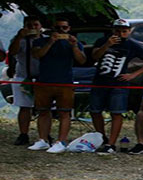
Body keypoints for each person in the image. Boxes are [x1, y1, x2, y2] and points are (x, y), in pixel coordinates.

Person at [89, 19, 143, 151]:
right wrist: (107, 45)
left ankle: (111, 144)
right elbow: (95, 57)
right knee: (95, 111)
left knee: (117, 112)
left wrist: (133, 75)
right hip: (100, 82)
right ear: (113, 30)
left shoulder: (132, 45)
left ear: (129, 32)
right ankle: (102, 138)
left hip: (119, 84)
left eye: (124, 31)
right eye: (118, 31)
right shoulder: (102, 41)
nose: (120, 33)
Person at [29, 17, 86, 154]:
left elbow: (82, 60)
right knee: (43, 111)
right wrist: (50, 42)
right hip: (44, 81)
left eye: (64, 28)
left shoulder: (74, 43)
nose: (61, 30)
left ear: (69, 29)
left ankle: (61, 141)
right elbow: (37, 55)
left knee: (65, 112)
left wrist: (73, 46)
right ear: (52, 29)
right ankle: (42, 139)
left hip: (65, 82)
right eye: (57, 28)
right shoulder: (40, 41)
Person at [7, 16, 43, 146]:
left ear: (40, 26)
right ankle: (23, 134)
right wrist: (19, 37)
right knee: (24, 107)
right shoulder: (20, 40)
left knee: (44, 108)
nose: (33, 28)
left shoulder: (46, 39)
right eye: (29, 25)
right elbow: (12, 52)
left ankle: (44, 135)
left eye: (35, 25)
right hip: (23, 76)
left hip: (42, 77)